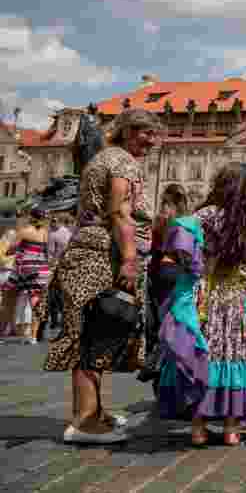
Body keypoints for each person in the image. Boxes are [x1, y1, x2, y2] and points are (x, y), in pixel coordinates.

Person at [44, 108, 164, 445]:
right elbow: (119, 211)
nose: (151, 142)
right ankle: (85, 422)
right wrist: (128, 258)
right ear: (127, 131)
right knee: (95, 334)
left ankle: (93, 412)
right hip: (103, 256)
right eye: (146, 133)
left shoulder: (104, 157)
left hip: (92, 253)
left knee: (96, 332)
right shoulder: (122, 162)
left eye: (155, 135)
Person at [158, 162, 246, 446]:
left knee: (207, 353)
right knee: (235, 355)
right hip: (234, 297)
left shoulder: (204, 215)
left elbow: (183, 249)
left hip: (207, 293)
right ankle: (230, 428)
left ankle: (198, 428)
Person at [138, 184, 190, 391]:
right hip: (178, 273)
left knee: (161, 324)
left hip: (159, 272)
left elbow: (150, 248)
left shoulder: (159, 222)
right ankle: (171, 376)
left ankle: (159, 376)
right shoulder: (187, 222)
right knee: (177, 326)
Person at [11, 208, 50, 344]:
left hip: (28, 269)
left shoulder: (24, 231)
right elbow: (46, 252)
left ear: (31, 218)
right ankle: (33, 336)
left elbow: (12, 248)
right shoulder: (45, 233)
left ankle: (24, 336)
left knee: (24, 302)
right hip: (43, 269)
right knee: (36, 302)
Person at [42, 213, 73, 338]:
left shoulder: (53, 234)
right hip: (67, 267)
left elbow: (50, 254)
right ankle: (63, 321)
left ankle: (55, 321)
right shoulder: (68, 232)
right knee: (62, 295)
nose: (51, 223)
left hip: (56, 267)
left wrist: (48, 267)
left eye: (53, 221)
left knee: (53, 295)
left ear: (58, 221)